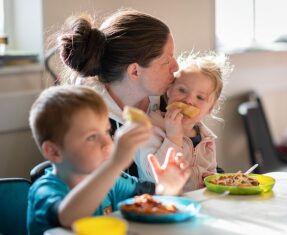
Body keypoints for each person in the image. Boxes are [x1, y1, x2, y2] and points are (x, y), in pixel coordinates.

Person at [27, 85, 190, 235]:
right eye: (91, 137)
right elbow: (68, 218)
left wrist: (167, 188)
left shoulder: (112, 181)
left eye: (107, 131)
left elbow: (151, 202)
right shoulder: (45, 190)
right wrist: (115, 162)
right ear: (54, 151)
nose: (107, 143)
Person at [56, 9, 179, 176]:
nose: (176, 67)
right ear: (135, 71)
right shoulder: (88, 122)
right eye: (167, 60)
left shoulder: (169, 97)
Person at [135, 51, 233, 191]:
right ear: (168, 91)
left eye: (200, 97)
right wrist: (173, 137)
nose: (189, 100)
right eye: (182, 90)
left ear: (211, 108)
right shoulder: (149, 129)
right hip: (163, 206)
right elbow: (155, 177)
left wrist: (217, 180)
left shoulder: (207, 140)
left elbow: (211, 175)